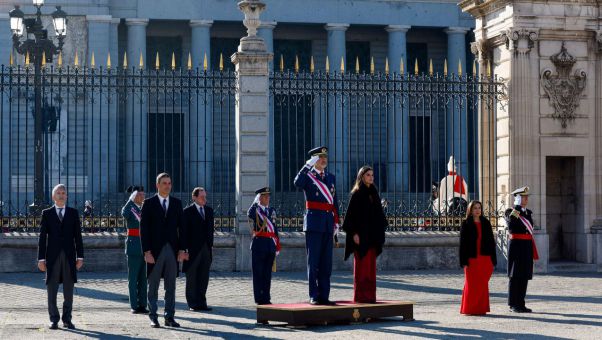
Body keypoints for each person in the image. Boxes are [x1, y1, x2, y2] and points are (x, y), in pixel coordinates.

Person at [294, 146, 340, 305]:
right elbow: (297, 182)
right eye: (320, 157)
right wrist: (307, 165)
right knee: (313, 262)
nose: (324, 159)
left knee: (326, 263)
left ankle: (325, 295)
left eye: (325, 156)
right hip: (314, 223)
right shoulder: (308, 176)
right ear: (314, 160)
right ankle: (314, 294)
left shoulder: (331, 177)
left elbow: (334, 202)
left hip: (328, 223)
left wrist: (337, 221)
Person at [140, 173, 187, 328]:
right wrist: (146, 252)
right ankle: (153, 316)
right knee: (153, 286)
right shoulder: (148, 203)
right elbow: (144, 229)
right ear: (157, 185)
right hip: (154, 251)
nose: (168, 185)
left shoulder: (177, 203)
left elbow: (183, 228)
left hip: (172, 251)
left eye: (169, 183)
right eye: (164, 183)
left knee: (171, 286)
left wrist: (182, 249)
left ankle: (169, 316)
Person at [37, 184, 84, 330]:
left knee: (69, 290)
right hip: (52, 257)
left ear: (67, 196)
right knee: (52, 289)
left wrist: (80, 257)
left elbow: (78, 237)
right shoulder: (47, 213)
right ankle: (54, 319)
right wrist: (41, 259)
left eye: (64, 193)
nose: (61, 195)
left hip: (70, 257)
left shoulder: (73, 213)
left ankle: (67, 319)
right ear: (53, 196)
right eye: (58, 193)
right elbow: (42, 237)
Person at [342, 166, 387, 303]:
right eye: (368, 175)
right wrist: (354, 233)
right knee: (362, 269)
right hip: (360, 237)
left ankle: (370, 297)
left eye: (372, 175)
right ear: (362, 177)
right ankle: (361, 297)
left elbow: (378, 215)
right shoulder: (357, 194)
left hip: (372, 237)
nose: (371, 177)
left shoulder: (374, 193)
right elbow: (350, 217)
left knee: (370, 269)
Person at [459, 200, 497, 315]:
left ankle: (481, 308)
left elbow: (491, 242)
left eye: (479, 208)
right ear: (470, 210)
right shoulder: (466, 223)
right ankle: (470, 309)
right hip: (472, 258)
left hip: (485, 258)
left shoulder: (486, 222)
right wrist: (463, 260)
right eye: (475, 208)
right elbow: (463, 244)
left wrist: (493, 259)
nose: (477, 210)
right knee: (471, 283)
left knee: (482, 284)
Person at [505, 186, 539, 313]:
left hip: (526, 247)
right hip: (516, 247)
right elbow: (511, 224)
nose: (526, 199)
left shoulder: (528, 213)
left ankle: (521, 302)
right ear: (517, 198)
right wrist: (517, 208)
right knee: (515, 276)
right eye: (523, 197)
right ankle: (513, 303)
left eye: (526, 197)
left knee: (524, 275)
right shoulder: (511, 211)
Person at [247, 187, 280, 306]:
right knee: (258, 273)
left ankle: (266, 297)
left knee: (267, 274)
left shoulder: (271, 210)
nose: (268, 198)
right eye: (265, 196)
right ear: (260, 198)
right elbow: (249, 214)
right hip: (259, 245)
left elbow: (275, 229)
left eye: (268, 196)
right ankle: (259, 298)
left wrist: (277, 245)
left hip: (270, 245)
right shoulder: (255, 210)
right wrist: (255, 203)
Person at [182, 187, 214, 311]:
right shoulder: (187, 211)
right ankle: (192, 303)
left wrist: (210, 247)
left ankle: (202, 302)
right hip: (192, 249)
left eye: (205, 196)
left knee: (203, 277)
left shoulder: (209, 210)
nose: (204, 199)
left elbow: (210, 230)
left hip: (206, 249)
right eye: (202, 197)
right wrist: (184, 249)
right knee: (192, 277)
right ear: (194, 197)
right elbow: (183, 232)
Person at [121, 185, 148, 314]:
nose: (143, 197)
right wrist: (129, 201)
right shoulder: (130, 208)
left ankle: (143, 304)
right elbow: (124, 214)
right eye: (141, 195)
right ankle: (134, 305)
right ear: (135, 196)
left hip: (145, 247)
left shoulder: (145, 208)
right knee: (133, 278)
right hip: (133, 246)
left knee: (143, 278)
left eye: (144, 194)